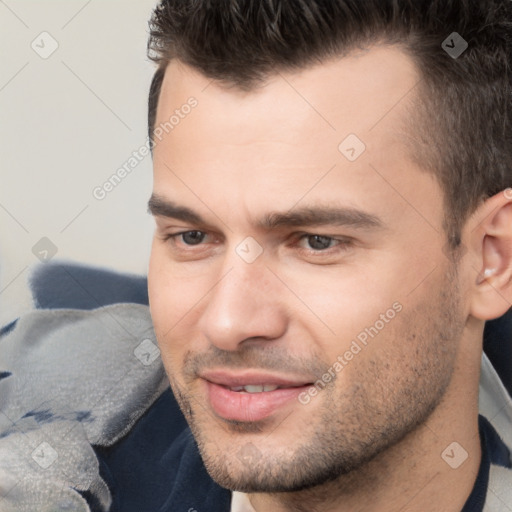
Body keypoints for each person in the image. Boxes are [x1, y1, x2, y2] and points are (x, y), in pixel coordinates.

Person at [0, 1, 511, 511]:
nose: (227, 323)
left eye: (317, 242)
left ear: (492, 259)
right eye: (192, 236)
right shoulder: (34, 422)